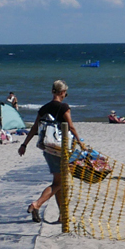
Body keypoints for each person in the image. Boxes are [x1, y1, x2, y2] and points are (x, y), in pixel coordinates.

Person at [18, 79, 82, 221]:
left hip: (48, 148)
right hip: (60, 149)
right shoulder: (64, 107)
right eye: (66, 92)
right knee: (59, 183)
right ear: (62, 92)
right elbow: (70, 127)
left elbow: (34, 128)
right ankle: (37, 204)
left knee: (57, 182)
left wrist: (24, 145)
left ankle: (62, 216)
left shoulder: (44, 108)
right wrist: (80, 142)